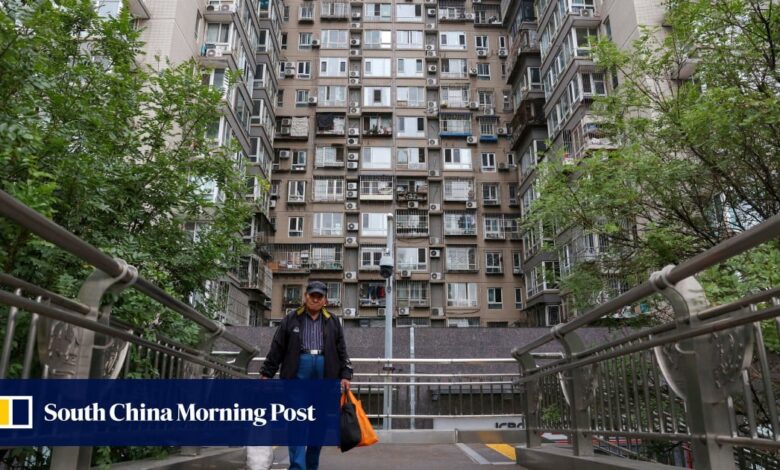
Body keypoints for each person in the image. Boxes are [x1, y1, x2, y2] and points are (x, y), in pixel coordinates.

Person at [260, 280, 353, 470]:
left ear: (325, 300)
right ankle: (297, 466)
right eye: (312, 296)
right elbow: (277, 346)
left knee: (319, 424)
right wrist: (267, 372)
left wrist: (346, 374)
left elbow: (341, 350)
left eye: (320, 296)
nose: (315, 299)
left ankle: (312, 465)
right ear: (305, 297)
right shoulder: (291, 318)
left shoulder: (333, 321)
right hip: (297, 372)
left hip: (325, 375)